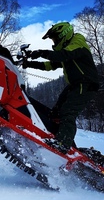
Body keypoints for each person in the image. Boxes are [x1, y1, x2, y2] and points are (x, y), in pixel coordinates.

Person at [23, 22, 99, 153]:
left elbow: (63, 55)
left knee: (68, 112)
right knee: (56, 114)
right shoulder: (67, 49)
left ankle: (63, 144)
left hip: (86, 84)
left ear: (63, 35)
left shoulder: (77, 43)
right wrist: (28, 63)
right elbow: (51, 65)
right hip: (75, 85)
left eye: (54, 38)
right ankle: (60, 138)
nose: (54, 42)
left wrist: (41, 52)